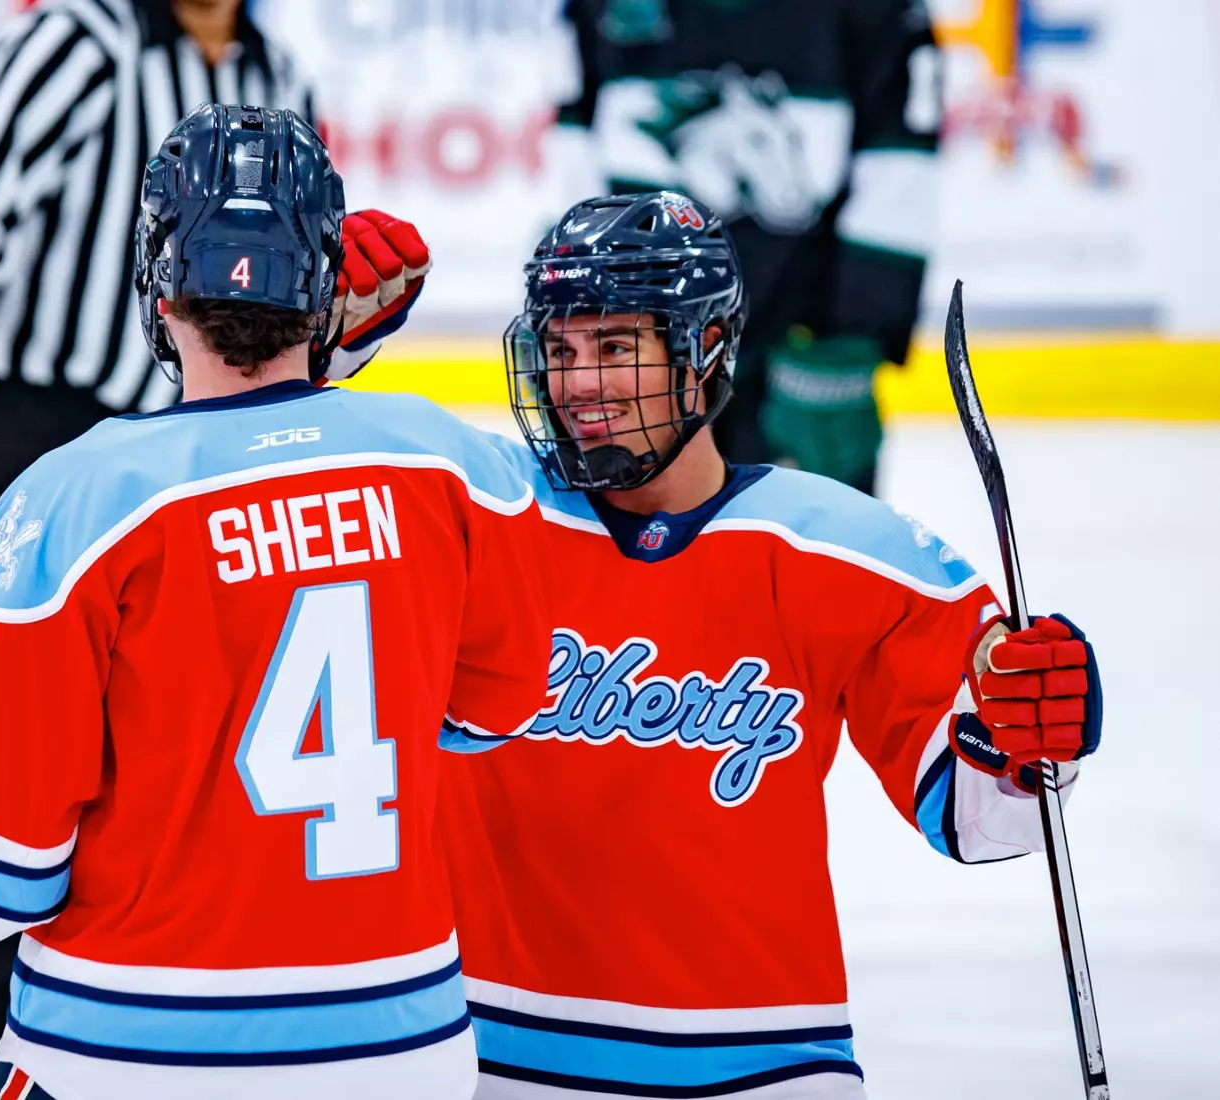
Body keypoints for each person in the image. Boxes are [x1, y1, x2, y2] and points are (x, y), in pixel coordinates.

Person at [0, 105, 554, 1100]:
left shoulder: (77, 502)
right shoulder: (452, 465)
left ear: (160, 292)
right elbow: (494, 706)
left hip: (133, 1055)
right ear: (326, 284)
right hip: (404, 1047)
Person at [405, 192, 1099, 1097]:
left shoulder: (842, 552)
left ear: (704, 356)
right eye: (561, 350)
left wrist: (1031, 731)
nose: (576, 384)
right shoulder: (475, 519)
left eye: (616, 348)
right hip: (498, 1061)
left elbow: (983, 818)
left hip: (768, 1066)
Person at [551, 0, 942, 492]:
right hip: (644, 346)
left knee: (812, 551)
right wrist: (571, 311)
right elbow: (572, 161)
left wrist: (851, 335)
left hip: (796, 339)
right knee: (638, 559)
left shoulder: (874, 11)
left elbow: (900, 170)